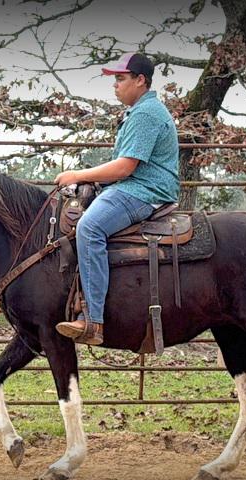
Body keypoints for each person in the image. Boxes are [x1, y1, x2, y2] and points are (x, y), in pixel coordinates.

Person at [53, 52, 180, 345]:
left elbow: (124, 167)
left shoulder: (146, 114)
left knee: (90, 228)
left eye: (121, 79)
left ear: (140, 80)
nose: (115, 85)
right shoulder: (139, 111)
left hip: (143, 191)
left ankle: (92, 320)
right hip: (135, 187)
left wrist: (78, 175)